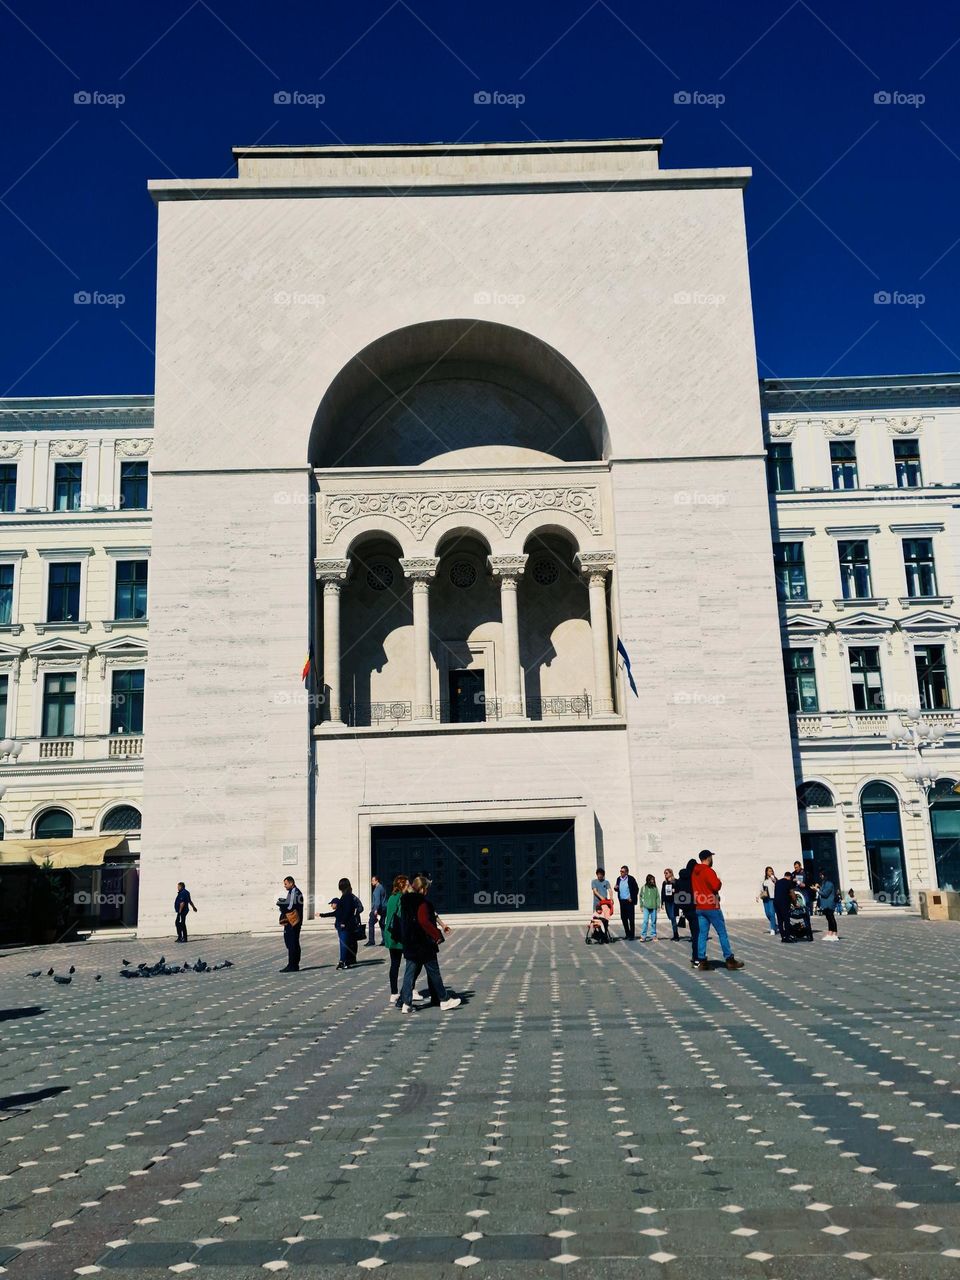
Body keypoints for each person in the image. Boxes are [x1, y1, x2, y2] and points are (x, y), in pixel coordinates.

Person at [398, 874, 460, 1012]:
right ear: (422, 889)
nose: (427, 892)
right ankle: (444, 999)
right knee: (434, 971)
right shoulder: (421, 902)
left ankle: (406, 1004)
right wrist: (437, 935)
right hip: (423, 943)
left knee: (409, 973)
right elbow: (423, 921)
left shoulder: (405, 901)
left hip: (410, 942)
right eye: (426, 889)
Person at [691, 850, 744, 971]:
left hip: (700, 906)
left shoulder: (694, 872)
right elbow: (715, 886)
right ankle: (729, 959)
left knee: (702, 934)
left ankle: (702, 960)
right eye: (711, 857)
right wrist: (719, 881)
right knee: (722, 933)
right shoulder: (708, 871)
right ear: (708, 858)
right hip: (711, 906)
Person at [320, 878, 365, 970]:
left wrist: (343, 922)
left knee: (344, 943)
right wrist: (323, 915)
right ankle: (345, 960)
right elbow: (339, 912)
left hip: (345, 925)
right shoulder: (346, 896)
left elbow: (347, 911)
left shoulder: (347, 897)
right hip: (343, 924)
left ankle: (343, 961)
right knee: (345, 943)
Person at [383, 874, 409, 1004]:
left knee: (394, 964)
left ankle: (394, 992)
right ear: (402, 886)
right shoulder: (401, 898)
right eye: (407, 884)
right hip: (399, 935)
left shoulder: (391, 898)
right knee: (412, 962)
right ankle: (410, 990)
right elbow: (401, 916)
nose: (409, 887)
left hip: (390, 934)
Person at [675, 858, 699, 967]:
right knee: (697, 934)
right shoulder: (694, 879)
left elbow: (677, 896)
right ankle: (697, 957)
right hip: (695, 909)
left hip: (686, 911)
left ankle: (696, 956)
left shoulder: (679, 880)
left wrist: (682, 907)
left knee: (694, 933)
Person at [278, 876, 304, 973]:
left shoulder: (295, 892)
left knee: (292, 943)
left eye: (286, 884)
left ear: (291, 883)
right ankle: (293, 964)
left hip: (293, 922)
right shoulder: (292, 892)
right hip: (293, 922)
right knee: (293, 942)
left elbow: (290, 907)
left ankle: (292, 965)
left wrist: (281, 905)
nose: (284, 886)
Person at [614, 865, 639, 940]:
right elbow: (618, 888)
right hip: (622, 901)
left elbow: (636, 889)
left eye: (622, 871)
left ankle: (632, 935)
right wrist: (615, 888)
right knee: (623, 918)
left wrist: (632, 897)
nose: (621, 873)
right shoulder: (618, 879)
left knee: (631, 919)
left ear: (627, 872)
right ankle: (627, 934)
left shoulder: (631, 879)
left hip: (629, 901)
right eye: (620, 871)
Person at [773, 870, 795, 943]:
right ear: (789, 877)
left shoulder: (778, 882)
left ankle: (783, 937)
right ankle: (787, 936)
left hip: (776, 903)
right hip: (784, 903)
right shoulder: (789, 882)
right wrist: (795, 903)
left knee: (780, 920)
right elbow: (792, 894)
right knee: (786, 920)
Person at [367, 875, 387, 946]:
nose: (371, 882)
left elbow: (377, 901)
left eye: (373, 881)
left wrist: (375, 910)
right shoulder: (382, 887)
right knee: (382, 924)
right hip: (383, 908)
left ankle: (371, 941)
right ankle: (384, 940)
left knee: (371, 923)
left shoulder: (377, 889)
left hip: (378, 909)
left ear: (377, 880)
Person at [818, 876, 840, 941]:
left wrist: (817, 890)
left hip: (830, 903)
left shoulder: (829, 884)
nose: (821, 877)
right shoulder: (824, 883)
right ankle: (830, 932)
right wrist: (818, 887)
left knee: (831, 918)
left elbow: (825, 893)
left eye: (822, 875)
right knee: (828, 918)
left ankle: (835, 933)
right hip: (825, 904)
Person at [661, 868, 680, 940]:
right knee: (670, 917)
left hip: (673, 902)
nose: (665, 874)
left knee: (673, 917)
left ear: (671, 873)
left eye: (667, 873)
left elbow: (679, 890)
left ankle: (676, 934)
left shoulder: (675, 881)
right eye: (665, 873)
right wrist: (662, 902)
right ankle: (675, 933)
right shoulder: (665, 882)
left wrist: (675, 890)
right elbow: (662, 892)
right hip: (667, 902)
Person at [640, 874, 659, 941]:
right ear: (648, 880)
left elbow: (657, 897)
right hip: (646, 907)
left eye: (653, 880)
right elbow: (641, 896)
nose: (653, 881)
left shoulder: (655, 888)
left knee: (653, 921)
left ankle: (654, 935)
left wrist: (658, 906)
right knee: (645, 921)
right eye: (651, 879)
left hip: (653, 907)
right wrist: (641, 905)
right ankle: (643, 936)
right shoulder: (644, 888)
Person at [759, 866, 777, 935]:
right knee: (767, 914)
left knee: (772, 913)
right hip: (765, 898)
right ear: (766, 872)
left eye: (771, 871)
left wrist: (774, 879)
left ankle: (772, 929)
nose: (771, 872)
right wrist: (758, 896)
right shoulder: (763, 880)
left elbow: (777, 885)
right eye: (769, 871)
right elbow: (760, 888)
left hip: (772, 898)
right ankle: (775, 925)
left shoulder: (774, 879)